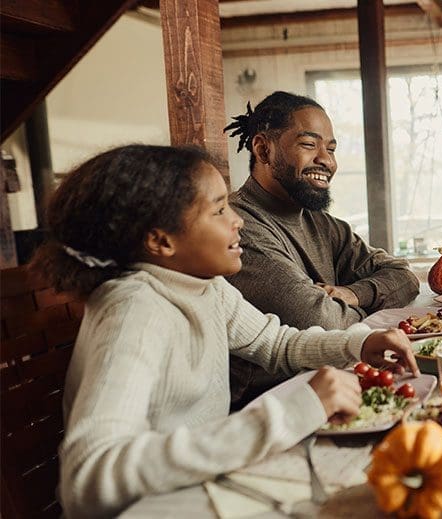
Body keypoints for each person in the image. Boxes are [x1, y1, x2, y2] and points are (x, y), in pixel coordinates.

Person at [31, 144, 418, 518]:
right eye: (218, 210)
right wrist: (289, 413)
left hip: (203, 487)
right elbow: (88, 479)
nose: (239, 221)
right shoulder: (135, 311)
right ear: (160, 240)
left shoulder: (205, 287)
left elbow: (277, 343)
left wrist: (359, 342)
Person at [223, 91, 420, 407]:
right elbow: (322, 322)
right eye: (308, 145)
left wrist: (352, 295)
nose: (327, 160)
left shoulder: (324, 225)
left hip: (336, 388)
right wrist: (361, 311)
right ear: (263, 149)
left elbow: (404, 278)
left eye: (330, 149)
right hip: (273, 407)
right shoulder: (237, 228)